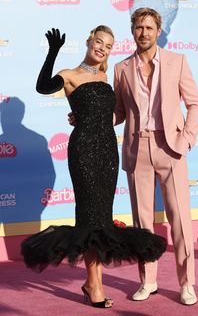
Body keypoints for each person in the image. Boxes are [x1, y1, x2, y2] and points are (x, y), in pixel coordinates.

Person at [21, 26, 167, 309]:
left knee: (101, 219)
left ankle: (91, 283)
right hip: (84, 152)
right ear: (88, 42)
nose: (103, 48)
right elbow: (42, 86)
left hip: (108, 152)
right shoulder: (70, 75)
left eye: (109, 45)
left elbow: (111, 114)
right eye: (99, 42)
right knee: (89, 219)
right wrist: (53, 52)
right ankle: (95, 285)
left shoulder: (105, 76)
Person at [113, 8, 198, 305]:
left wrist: (187, 139)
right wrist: (92, 116)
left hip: (170, 148)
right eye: (139, 27)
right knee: (142, 222)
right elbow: (119, 113)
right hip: (137, 150)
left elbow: (194, 102)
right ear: (133, 30)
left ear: (159, 30)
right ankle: (148, 280)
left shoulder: (177, 62)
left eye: (149, 27)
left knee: (180, 220)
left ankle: (187, 283)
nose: (144, 33)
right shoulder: (121, 68)